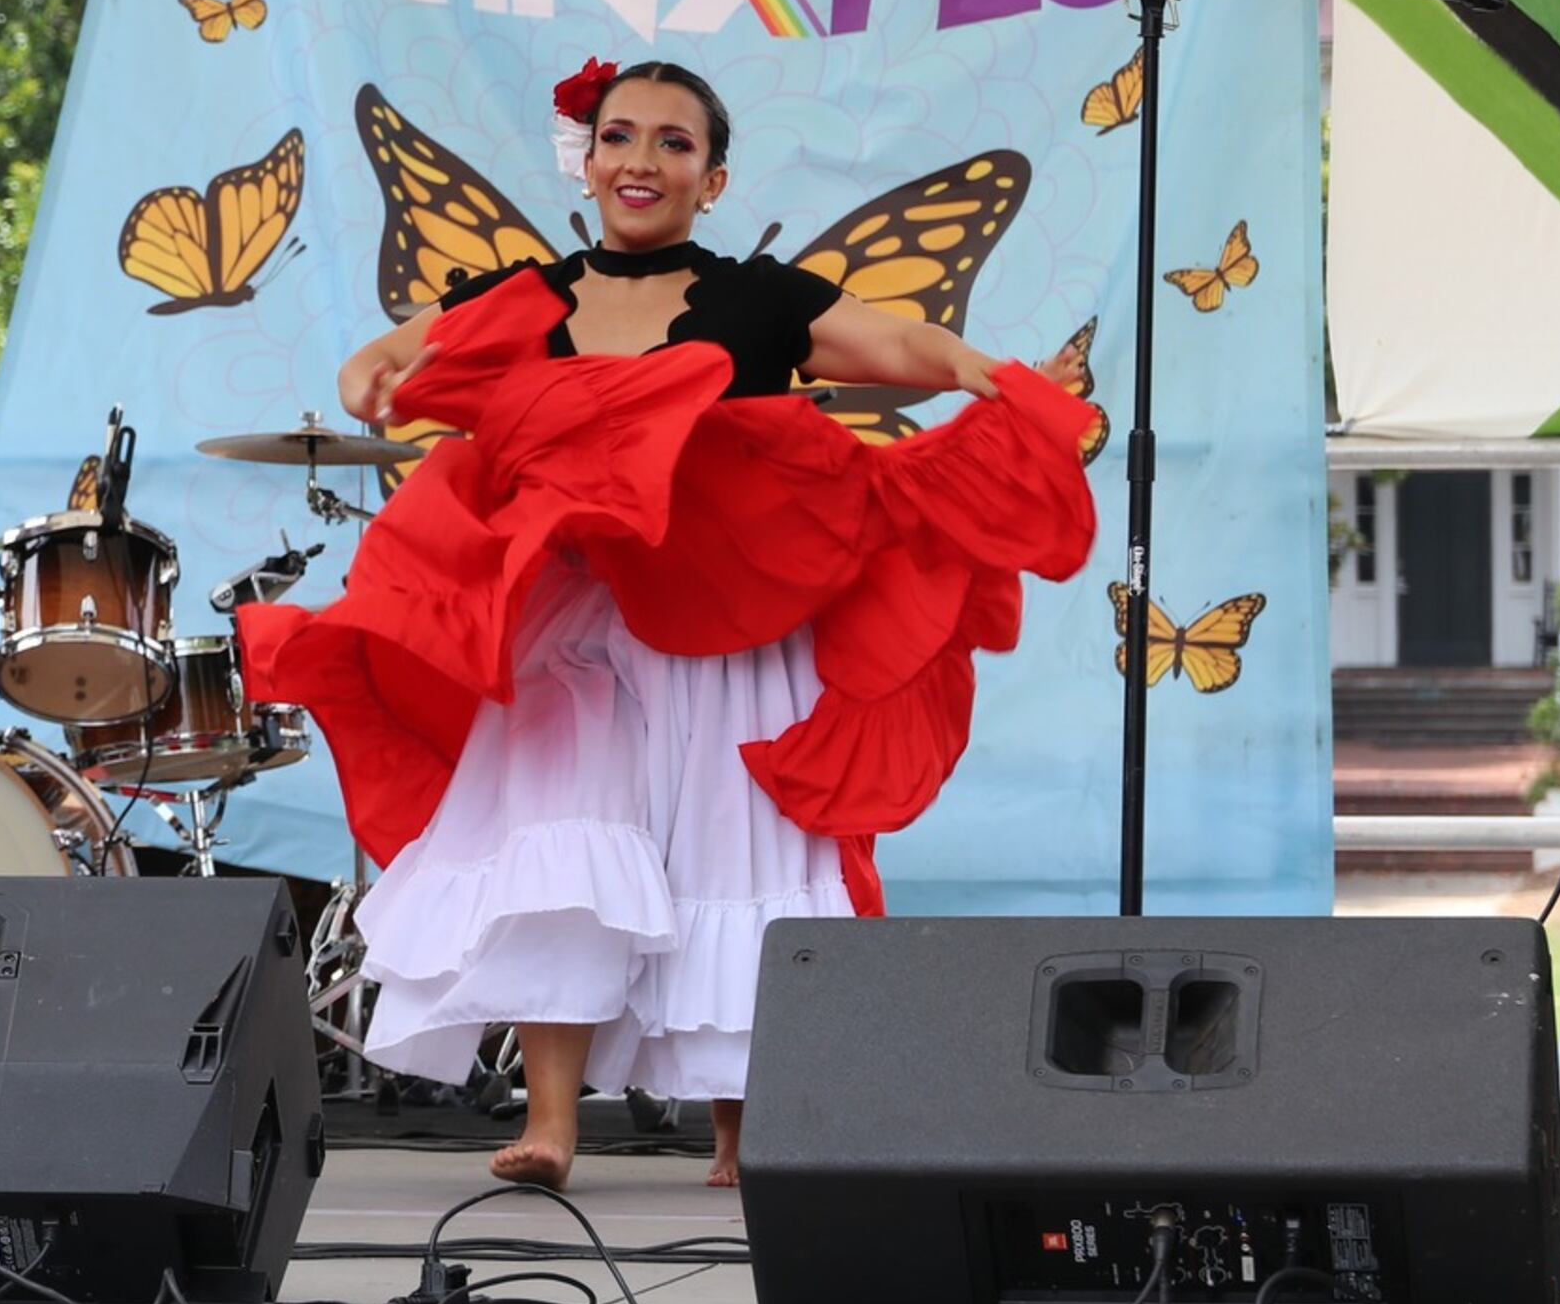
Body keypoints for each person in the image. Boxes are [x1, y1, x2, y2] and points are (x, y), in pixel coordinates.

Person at [247, 58, 1095, 1191]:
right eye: (620, 136)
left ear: (713, 178)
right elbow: (387, 359)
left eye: (673, 143)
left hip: (734, 609)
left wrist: (998, 380)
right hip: (576, 613)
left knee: (736, 847)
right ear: (588, 160)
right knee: (561, 833)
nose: (641, 160)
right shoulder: (527, 296)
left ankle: (743, 1131)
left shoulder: (759, 297)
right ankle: (554, 1123)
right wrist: (373, 379)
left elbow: (901, 348)